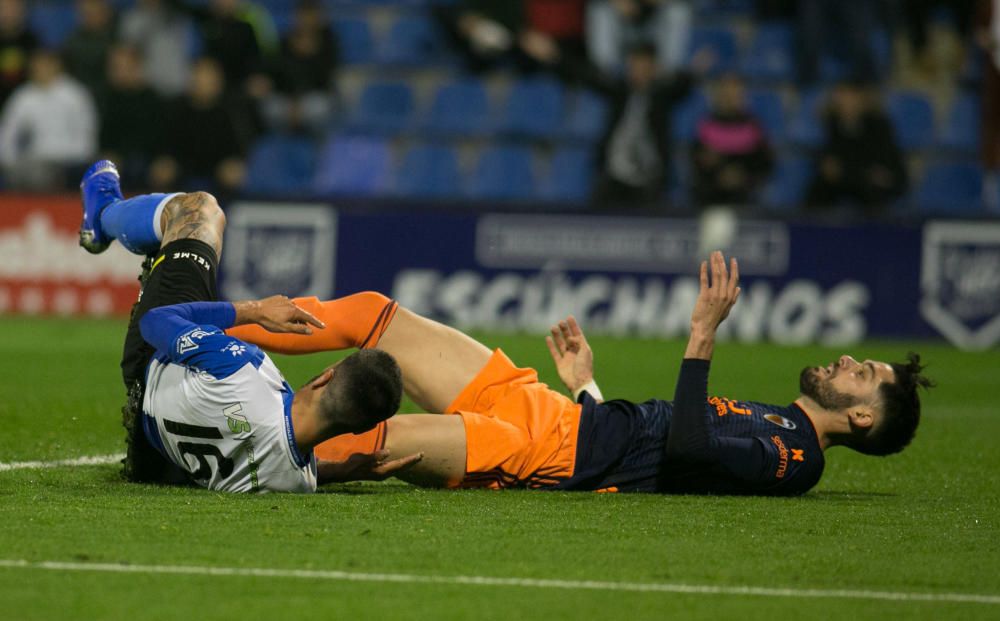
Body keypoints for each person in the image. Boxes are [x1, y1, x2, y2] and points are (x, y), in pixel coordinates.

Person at [228, 254, 933, 496]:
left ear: (863, 417)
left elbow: (687, 447)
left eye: (862, 373)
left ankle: (216, 450)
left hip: (550, 453)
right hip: (555, 411)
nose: (847, 360)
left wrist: (700, 335)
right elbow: (657, 445)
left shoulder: (798, 457)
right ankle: (208, 329)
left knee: (370, 432)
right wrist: (586, 386)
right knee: (378, 315)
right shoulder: (780, 420)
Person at [77, 160, 421, 491]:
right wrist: (343, 471)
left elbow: (156, 322)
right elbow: (279, 460)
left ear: (325, 376)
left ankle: (102, 216)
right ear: (359, 429)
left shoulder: (241, 368)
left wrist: (255, 311)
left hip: (151, 362)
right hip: (155, 460)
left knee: (198, 210)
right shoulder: (296, 481)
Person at [805, 81, 908, 214]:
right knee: (819, 188)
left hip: (875, 180)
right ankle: (812, 230)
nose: (846, 102)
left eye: (851, 97)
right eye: (842, 96)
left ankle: (874, 231)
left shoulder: (879, 126)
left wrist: (845, 170)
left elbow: (880, 166)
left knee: (873, 188)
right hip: (849, 177)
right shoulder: (832, 124)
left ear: (861, 99)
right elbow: (826, 160)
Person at [0, 49, 97, 190]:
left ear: (56, 66)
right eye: (37, 66)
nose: (40, 69)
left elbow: (87, 132)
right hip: (36, 160)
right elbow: (8, 133)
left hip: (70, 159)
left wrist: (76, 159)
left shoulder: (75, 95)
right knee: (30, 173)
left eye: (45, 65)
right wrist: (9, 163)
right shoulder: (23, 97)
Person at [690, 74, 773, 209]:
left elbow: (764, 163)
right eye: (726, 92)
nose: (730, 97)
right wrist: (719, 175)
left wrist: (742, 177)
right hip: (711, 197)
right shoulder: (705, 127)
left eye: (735, 92)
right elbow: (698, 163)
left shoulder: (754, 127)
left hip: (745, 195)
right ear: (718, 96)